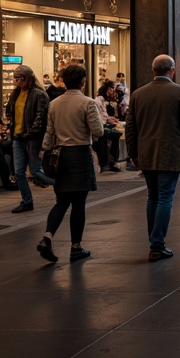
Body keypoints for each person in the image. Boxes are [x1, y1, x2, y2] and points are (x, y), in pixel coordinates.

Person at [124, 54, 180, 262]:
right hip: (169, 153)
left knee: (153, 196)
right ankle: (157, 244)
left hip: (147, 153)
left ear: (153, 71)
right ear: (172, 71)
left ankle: (154, 241)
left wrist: (133, 153)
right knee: (165, 197)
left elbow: (130, 127)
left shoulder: (138, 94)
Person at [37, 63, 103, 264]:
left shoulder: (54, 103)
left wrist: (44, 151)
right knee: (79, 204)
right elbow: (98, 130)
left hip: (60, 156)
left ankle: (47, 236)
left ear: (64, 81)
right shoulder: (88, 103)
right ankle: (76, 247)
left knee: (61, 201)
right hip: (80, 154)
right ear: (83, 81)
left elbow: (49, 133)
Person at [6, 65, 54, 212]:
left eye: (18, 78)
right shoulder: (16, 94)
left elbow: (41, 117)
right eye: (14, 77)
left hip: (33, 138)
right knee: (19, 171)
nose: (16, 81)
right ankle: (27, 201)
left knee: (35, 171)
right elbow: (11, 113)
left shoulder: (39, 95)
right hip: (18, 137)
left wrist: (33, 133)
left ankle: (59, 184)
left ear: (27, 78)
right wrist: (10, 128)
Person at [93, 79, 122, 172]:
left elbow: (104, 114)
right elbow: (101, 115)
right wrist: (109, 120)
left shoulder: (105, 101)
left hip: (104, 124)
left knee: (116, 134)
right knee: (106, 135)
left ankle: (112, 161)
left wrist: (110, 119)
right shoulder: (99, 99)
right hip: (101, 126)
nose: (112, 91)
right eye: (110, 89)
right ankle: (106, 163)